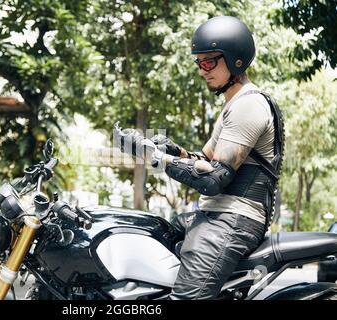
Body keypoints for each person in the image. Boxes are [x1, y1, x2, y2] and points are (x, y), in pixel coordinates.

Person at [113, 15, 284, 299]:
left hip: (234, 219)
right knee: (149, 232)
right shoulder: (233, 105)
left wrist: (155, 158)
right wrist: (167, 149)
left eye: (209, 62)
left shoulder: (250, 105)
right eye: (198, 63)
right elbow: (200, 159)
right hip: (215, 213)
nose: (202, 70)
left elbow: (214, 177)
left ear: (235, 60)